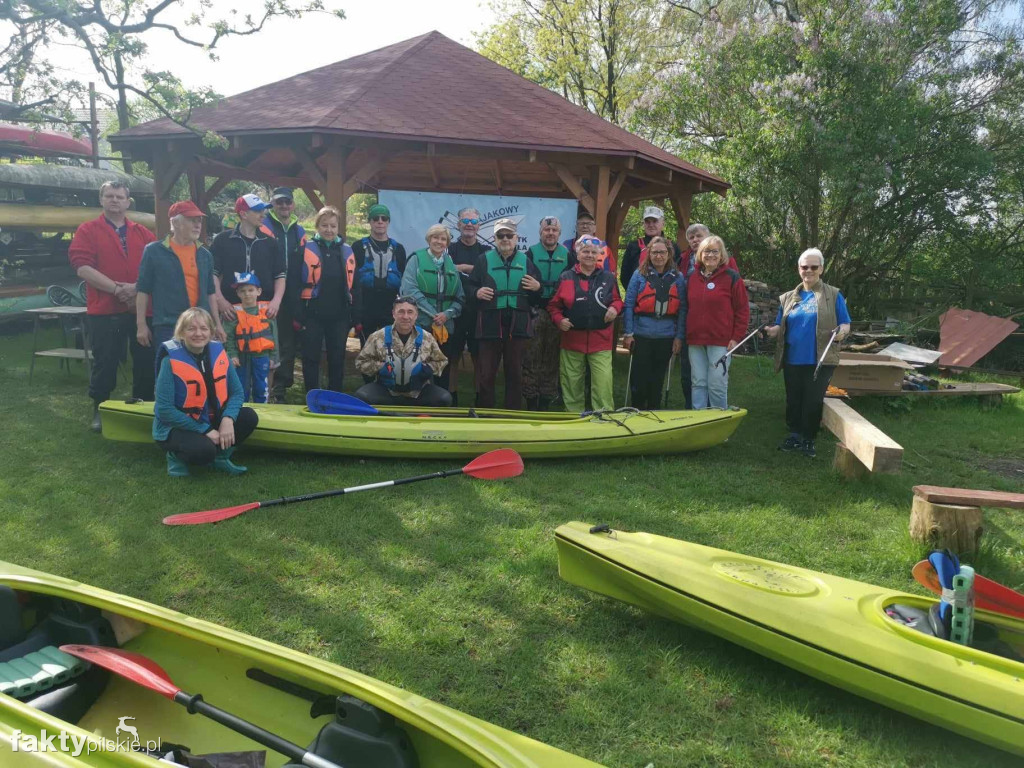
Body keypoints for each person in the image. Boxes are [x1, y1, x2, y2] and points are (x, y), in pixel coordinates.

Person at [69, 180, 157, 431]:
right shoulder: (87, 230)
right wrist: (118, 289)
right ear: (101, 200)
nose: (115, 200)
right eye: (110, 196)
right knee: (105, 360)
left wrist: (136, 288)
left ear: (128, 202)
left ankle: (142, 407)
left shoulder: (142, 232)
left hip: (141, 308)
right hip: (105, 309)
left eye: (120, 196)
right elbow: (82, 267)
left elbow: (156, 265)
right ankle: (101, 408)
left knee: (144, 359)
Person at [765, 248, 851, 458]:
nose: (809, 271)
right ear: (799, 269)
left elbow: (845, 323)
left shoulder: (833, 294)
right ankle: (794, 435)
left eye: (814, 267)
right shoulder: (788, 298)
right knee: (793, 399)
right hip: (793, 358)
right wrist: (771, 331)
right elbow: (780, 326)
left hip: (820, 359)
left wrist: (842, 332)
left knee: (812, 400)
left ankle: (808, 439)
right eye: (805, 267)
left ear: (821, 269)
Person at [153, 307, 258, 477]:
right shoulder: (169, 362)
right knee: (204, 452)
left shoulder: (220, 354)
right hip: (177, 426)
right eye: (191, 328)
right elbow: (164, 410)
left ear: (211, 332)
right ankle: (175, 456)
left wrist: (227, 419)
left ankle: (221, 457)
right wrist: (205, 430)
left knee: (249, 417)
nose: (198, 334)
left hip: (211, 419)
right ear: (181, 332)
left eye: (203, 328)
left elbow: (237, 393)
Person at [469, 218, 544, 409]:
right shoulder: (482, 260)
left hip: (517, 324)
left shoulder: (526, 261)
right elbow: (469, 287)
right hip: (489, 323)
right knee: (486, 373)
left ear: (516, 238)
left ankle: (512, 414)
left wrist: (538, 287)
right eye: (500, 235)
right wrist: (476, 292)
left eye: (509, 235)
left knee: (515, 372)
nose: (505, 239)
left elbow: (537, 297)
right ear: (494, 238)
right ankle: (486, 413)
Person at [136, 200, 224, 355]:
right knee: (170, 370)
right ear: (175, 223)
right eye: (191, 220)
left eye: (199, 221)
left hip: (200, 324)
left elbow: (211, 292)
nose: (197, 225)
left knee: (200, 373)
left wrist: (217, 324)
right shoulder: (154, 251)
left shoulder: (205, 254)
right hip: (168, 325)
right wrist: (141, 325)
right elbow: (142, 290)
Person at [547, 235, 622, 413]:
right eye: (585, 251)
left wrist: (614, 308)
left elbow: (618, 300)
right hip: (572, 340)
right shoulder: (566, 277)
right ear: (578, 254)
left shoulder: (608, 278)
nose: (589, 255)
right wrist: (559, 320)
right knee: (572, 382)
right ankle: (574, 417)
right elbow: (553, 306)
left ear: (599, 255)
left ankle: (604, 416)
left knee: (603, 382)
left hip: (601, 340)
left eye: (593, 252)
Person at [292, 206, 356, 393]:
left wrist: (355, 315)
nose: (329, 230)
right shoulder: (305, 249)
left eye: (333, 226)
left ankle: (335, 394)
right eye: (324, 225)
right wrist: (298, 314)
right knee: (311, 357)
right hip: (312, 313)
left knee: (337, 357)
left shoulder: (346, 251)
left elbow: (356, 286)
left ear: (338, 228)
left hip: (340, 315)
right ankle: (312, 393)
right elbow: (294, 282)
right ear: (317, 226)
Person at [685, 236, 749, 410]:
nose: (710, 255)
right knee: (698, 382)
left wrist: (736, 337)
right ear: (700, 254)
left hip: (722, 340)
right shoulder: (692, 277)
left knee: (717, 383)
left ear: (722, 255)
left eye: (715, 251)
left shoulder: (732, 277)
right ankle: (698, 421)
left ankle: (719, 421)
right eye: (706, 251)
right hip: (695, 339)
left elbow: (742, 310)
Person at [622, 236, 686, 409]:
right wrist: (628, 333)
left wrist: (679, 337)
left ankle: (653, 410)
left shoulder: (678, 278)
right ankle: (636, 409)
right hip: (641, 334)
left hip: (666, 336)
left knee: (657, 378)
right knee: (639, 377)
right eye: (655, 252)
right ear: (649, 253)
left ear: (669, 254)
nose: (659, 256)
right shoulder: (639, 275)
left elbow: (682, 309)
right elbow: (628, 304)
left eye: (663, 252)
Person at [400, 223, 465, 393]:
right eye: (435, 237)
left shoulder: (450, 264)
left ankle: (439, 407)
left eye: (443, 239)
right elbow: (409, 290)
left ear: (447, 243)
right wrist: (433, 313)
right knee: (418, 367)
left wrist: (447, 314)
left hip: (445, 326)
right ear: (429, 239)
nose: (439, 241)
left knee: (442, 368)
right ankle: (415, 406)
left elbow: (460, 297)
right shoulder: (416, 259)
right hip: (421, 324)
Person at [354, 296, 452, 407]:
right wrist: (381, 368)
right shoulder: (378, 336)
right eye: (401, 312)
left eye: (410, 312)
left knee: (444, 399)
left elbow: (441, 361)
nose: (405, 317)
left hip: (418, 393)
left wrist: (427, 369)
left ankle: (424, 419)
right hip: (386, 391)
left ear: (416, 315)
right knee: (361, 397)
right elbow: (361, 362)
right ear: (393, 314)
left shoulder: (427, 338)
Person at [211, 194, 285, 327]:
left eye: (263, 211)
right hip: (230, 310)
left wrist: (276, 301)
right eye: (258, 211)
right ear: (243, 214)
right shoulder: (222, 240)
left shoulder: (271, 243)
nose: (263, 215)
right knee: (231, 347)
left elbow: (280, 275)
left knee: (266, 348)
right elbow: (213, 274)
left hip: (264, 311)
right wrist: (220, 300)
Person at [262, 187, 307, 402]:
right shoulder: (263, 226)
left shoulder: (300, 231)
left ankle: (281, 386)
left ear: (293, 204)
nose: (284, 206)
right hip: (267, 291)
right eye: (279, 202)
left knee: (287, 340)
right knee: (266, 336)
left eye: (287, 202)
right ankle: (262, 383)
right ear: (272, 204)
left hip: (292, 292)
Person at [523, 216, 570, 410]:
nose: (550, 233)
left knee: (552, 360)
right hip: (536, 313)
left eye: (554, 230)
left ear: (559, 233)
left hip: (557, 315)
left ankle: (546, 402)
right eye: (546, 230)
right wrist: (540, 291)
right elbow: (526, 283)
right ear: (540, 232)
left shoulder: (568, 256)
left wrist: (540, 287)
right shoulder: (530, 254)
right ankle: (530, 401)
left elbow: (570, 285)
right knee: (531, 358)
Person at [446, 207, 488, 405]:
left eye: (473, 222)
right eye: (465, 221)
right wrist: (472, 270)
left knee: (478, 357)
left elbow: (487, 274)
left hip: (478, 310)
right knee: (452, 357)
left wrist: (461, 267)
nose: (469, 225)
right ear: (458, 224)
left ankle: (479, 397)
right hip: (454, 309)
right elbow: (444, 268)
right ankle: (452, 396)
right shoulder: (450, 249)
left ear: (479, 226)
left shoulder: (485, 251)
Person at [352, 203, 408, 341]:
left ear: (388, 222)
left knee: (390, 347)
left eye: (384, 218)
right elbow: (352, 278)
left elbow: (404, 279)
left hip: (389, 305)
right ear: (370, 221)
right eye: (376, 218)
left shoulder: (398, 249)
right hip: (366, 303)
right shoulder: (358, 247)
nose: (380, 222)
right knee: (367, 347)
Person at [223, 272, 278, 403]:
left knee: (261, 387)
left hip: (262, 356)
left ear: (258, 291)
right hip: (241, 358)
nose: (247, 294)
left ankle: (262, 411)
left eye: (250, 290)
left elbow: (273, 335)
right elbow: (229, 337)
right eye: (243, 291)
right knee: (241, 387)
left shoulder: (267, 311)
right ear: (238, 294)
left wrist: (273, 356)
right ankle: (242, 412)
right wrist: (232, 354)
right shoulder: (234, 313)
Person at [619, 206, 681, 287]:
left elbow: (679, 274)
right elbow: (625, 276)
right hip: (640, 296)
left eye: (655, 221)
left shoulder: (673, 246)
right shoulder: (633, 246)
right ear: (643, 224)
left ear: (663, 223)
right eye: (647, 222)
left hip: (668, 296)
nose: (651, 225)